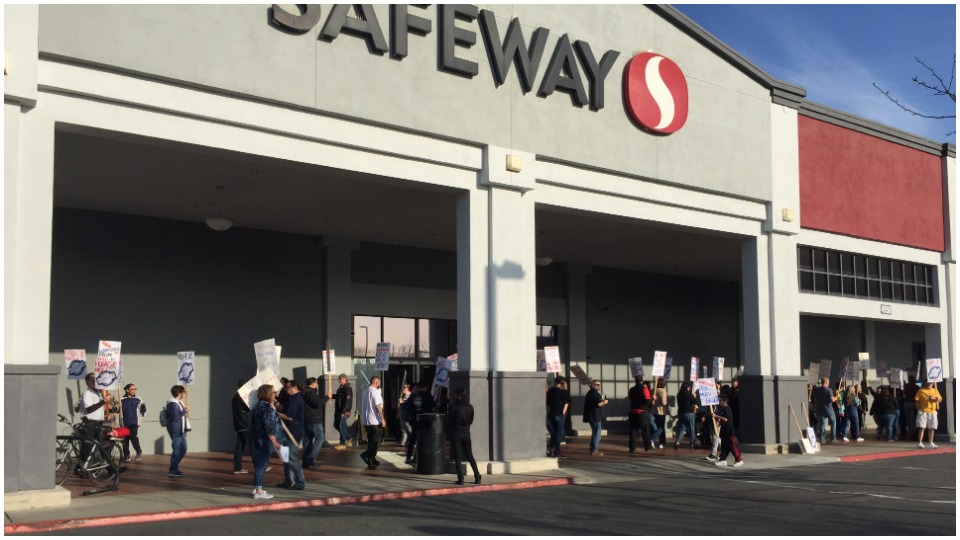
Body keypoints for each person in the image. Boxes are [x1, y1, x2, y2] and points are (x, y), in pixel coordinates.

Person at [250, 384, 283, 500]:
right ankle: (258, 491)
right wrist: (275, 442)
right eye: (273, 392)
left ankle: (257, 488)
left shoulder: (257, 406)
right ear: (268, 394)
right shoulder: (267, 408)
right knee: (262, 465)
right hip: (265, 439)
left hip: (257, 438)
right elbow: (269, 427)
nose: (275, 394)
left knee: (261, 464)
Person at [447, 386, 481, 485]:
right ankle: (477, 476)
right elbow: (471, 421)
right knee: (470, 455)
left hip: (456, 433)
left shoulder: (453, 407)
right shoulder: (470, 407)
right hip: (466, 433)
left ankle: (460, 478)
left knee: (458, 457)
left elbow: (450, 420)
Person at [277, 381, 305, 490]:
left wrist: (275, 413)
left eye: (287, 387)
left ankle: (300, 482)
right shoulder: (293, 399)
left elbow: (289, 416)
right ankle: (288, 480)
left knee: (292, 457)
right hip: (289, 431)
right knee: (285, 456)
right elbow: (285, 410)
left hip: (293, 432)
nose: (285, 389)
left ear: (293, 388)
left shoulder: (295, 399)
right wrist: (277, 405)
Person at [302, 376, 330, 471]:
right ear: (313, 383)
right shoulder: (311, 393)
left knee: (308, 441)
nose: (317, 385)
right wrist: (327, 397)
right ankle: (310, 460)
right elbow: (318, 403)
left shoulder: (305, 392)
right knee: (320, 438)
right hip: (314, 420)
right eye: (317, 383)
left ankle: (305, 461)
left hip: (308, 420)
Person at [404, 382, 436, 464]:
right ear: (426, 387)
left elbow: (406, 406)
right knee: (423, 440)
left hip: (415, 420)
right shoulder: (428, 396)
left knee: (413, 439)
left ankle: (408, 457)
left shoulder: (414, 395)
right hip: (425, 421)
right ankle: (417, 457)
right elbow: (433, 408)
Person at [359, 375, 386, 470]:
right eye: (379, 383)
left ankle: (372, 458)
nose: (379, 385)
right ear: (377, 383)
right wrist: (382, 419)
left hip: (366, 421)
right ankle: (366, 454)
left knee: (371, 440)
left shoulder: (365, 391)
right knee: (377, 440)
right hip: (374, 420)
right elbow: (378, 406)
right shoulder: (375, 392)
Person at [711, 395, 743, 467]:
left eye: (721, 401)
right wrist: (718, 424)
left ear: (725, 402)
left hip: (728, 430)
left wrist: (716, 416)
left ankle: (738, 459)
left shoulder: (726, 409)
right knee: (724, 445)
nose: (719, 402)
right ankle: (723, 459)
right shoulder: (723, 409)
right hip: (724, 430)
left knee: (731, 445)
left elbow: (725, 419)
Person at [165, 385, 189, 478]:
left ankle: (175, 466)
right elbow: (175, 417)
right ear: (179, 393)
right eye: (182, 392)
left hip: (180, 430)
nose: (183, 394)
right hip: (175, 430)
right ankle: (173, 469)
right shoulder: (173, 404)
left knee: (183, 448)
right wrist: (184, 411)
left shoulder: (178, 403)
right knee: (177, 449)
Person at [119, 383, 146, 463]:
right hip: (124, 422)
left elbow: (144, 408)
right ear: (127, 390)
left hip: (134, 422)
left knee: (133, 436)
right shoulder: (121, 399)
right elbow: (117, 410)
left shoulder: (138, 399)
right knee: (124, 438)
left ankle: (138, 451)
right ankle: (126, 455)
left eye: (135, 389)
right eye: (132, 389)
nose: (134, 391)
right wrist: (117, 407)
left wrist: (141, 415)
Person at [582, 379, 609, 456]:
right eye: (597, 385)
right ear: (593, 385)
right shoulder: (593, 393)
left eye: (600, 385)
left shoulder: (592, 393)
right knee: (597, 434)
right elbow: (599, 404)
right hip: (595, 417)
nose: (599, 386)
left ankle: (593, 449)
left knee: (595, 433)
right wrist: (605, 402)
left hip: (594, 416)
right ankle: (594, 450)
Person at [232, 378, 253, 474]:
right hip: (246, 424)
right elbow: (249, 408)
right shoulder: (243, 398)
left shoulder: (234, 398)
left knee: (239, 446)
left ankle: (237, 467)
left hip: (239, 425)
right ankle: (259, 465)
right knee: (252, 445)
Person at [545, 377, 570, 458]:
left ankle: (551, 449)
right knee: (558, 434)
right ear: (562, 383)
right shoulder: (561, 391)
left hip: (550, 415)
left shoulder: (550, 390)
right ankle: (556, 452)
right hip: (558, 415)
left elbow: (548, 402)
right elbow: (568, 399)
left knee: (555, 434)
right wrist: (566, 389)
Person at [628, 376, 654, 454]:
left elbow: (630, 398)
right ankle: (647, 448)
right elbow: (647, 400)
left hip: (633, 411)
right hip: (642, 412)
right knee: (645, 431)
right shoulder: (644, 389)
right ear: (642, 381)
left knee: (633, 430)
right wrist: (653, 399)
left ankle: (632, 448)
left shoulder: (631, 389)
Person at [915, 381, 942, 449]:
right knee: (922, 427)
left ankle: (930, 442)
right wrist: (918, 409)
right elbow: (917, 400)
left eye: (930, 384)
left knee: (932, 427)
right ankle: (920, 442)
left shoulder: (935, 390)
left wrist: (937, 399)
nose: (928, 385)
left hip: (932, 411)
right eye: (927, 383)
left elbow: (940, 399)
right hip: (923, 411)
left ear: (932, 384)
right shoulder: (921, 390)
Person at [811, 377, 837, 443]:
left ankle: (822, 438)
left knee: (822, 424)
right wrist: (837, 397)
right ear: (826, 382)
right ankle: (833, 437)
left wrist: (817, 407)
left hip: (821, 409)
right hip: (829, 408)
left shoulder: (817, 390)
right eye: (828, 383)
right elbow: (832, 400)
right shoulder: (829, 390)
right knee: (833, 421)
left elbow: (815, 401)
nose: (828, 384)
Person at [674, 381, 697, 449]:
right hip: (689, 412)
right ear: (687, 387)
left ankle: (677, 442)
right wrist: (694, 396)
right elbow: (694, 402)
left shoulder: (679, 394)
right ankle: (692, 444)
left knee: (682, 428)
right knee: (692, 428)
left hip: (681, 413)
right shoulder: (688, 394)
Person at [333, 374, 354, 449]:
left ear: (345, 379)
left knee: (342, 426)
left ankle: (342, 444)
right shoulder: (341, 388)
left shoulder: (347, 388)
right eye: (339, 379)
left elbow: (347, 400)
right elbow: (338, 397)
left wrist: (344, 411)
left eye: (341, 379)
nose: (339, 380)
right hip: (339, 410)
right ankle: (348, 437)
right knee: (336, 425)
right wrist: (331, 396)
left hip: (344, 411)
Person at [650, 379, 668, 449]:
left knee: (659, 427)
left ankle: (661, 442)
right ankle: (657, 440)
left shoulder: (653, 390)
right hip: (661, 411)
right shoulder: (663, 391)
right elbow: (664, 403)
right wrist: (667, 402)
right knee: (661, 428)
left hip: (654, 411)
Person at [902, 375, 920, 440]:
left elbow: (904, 394)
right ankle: (913, 433)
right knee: (913, 419)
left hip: (907, 403)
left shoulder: (906, 386)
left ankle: (910, 432)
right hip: (913, 403)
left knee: (908, 419)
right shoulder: (917, 387)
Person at [397, 383, 413, 447]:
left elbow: (408, 405)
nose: (403, 389)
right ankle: (402, 442)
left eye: (405, 387)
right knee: (403, 429)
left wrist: (402, 402)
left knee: (409, 428)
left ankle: (415, 441)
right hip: (402, 415)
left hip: (407, 415)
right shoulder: (403, 396)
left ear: (408, 388)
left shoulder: (410, 396)